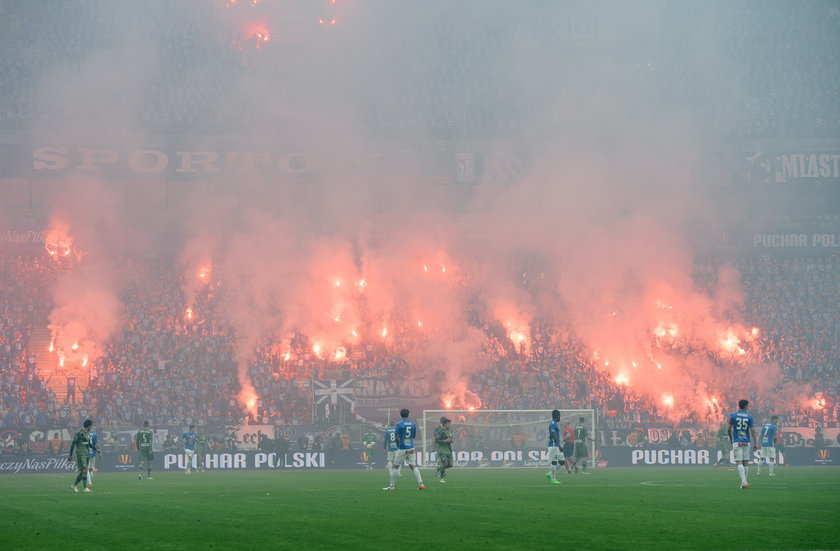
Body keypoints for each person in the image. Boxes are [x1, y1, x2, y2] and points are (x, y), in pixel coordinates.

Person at [383, 409, 425, 490]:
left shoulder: (399, 424)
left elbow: (396, 437)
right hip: (411, 447)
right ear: (408, 414)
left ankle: (391, 486)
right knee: (413, 465)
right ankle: (421, 484)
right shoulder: (413, 424)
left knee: (395, 466)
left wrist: (399, 445)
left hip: (402, 448)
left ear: (401, 415)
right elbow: (414, 436)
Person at [728, 399, 759, 489]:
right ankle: (744, 482)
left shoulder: (733, 415)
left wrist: (730, 438)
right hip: (746, 441)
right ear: (745, 406)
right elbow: (753, 431)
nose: (748, 407)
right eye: (748, 406)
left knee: (739, 462)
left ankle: (744, 482)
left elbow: (728, 428)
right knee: (745, 462)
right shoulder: (749, 417)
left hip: (737, 441)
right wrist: (756, 442)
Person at [68, 419, 94, 493]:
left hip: (86, 453)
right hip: (81, 454)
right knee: (85, 469)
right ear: (89, 426)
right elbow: (73, 444)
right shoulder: (79, 434)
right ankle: (85, 488)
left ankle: (74, 485)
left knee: (84, 470)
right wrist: (70, 455)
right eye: (91, 426)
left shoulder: (88, 434)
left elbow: (89, 444)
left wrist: (96, 449)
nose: (91, 427)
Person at [544, 409, 564, 484]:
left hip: (556, 445)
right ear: (556, 416)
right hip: (553, 445)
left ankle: (549, 473)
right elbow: (553, 434)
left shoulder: (555, 423)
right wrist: (559, 445)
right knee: (554, 462)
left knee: (562, 461)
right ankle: (553, 479)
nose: (560, 417)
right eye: (559, 415)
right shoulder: (552, 424)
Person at [434, 416, 453, 483]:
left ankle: (440, 468)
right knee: (445, 463)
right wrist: (445, 441)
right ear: (443, 423)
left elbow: (450, 438)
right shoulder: (439, 430)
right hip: (441, 449)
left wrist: (451, 440)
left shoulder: (450, 431)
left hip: (448, 449)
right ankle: (442, 478)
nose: (450, 425)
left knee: (450, 465)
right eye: (448, 424)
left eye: (450, 424)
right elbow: (437, 439)